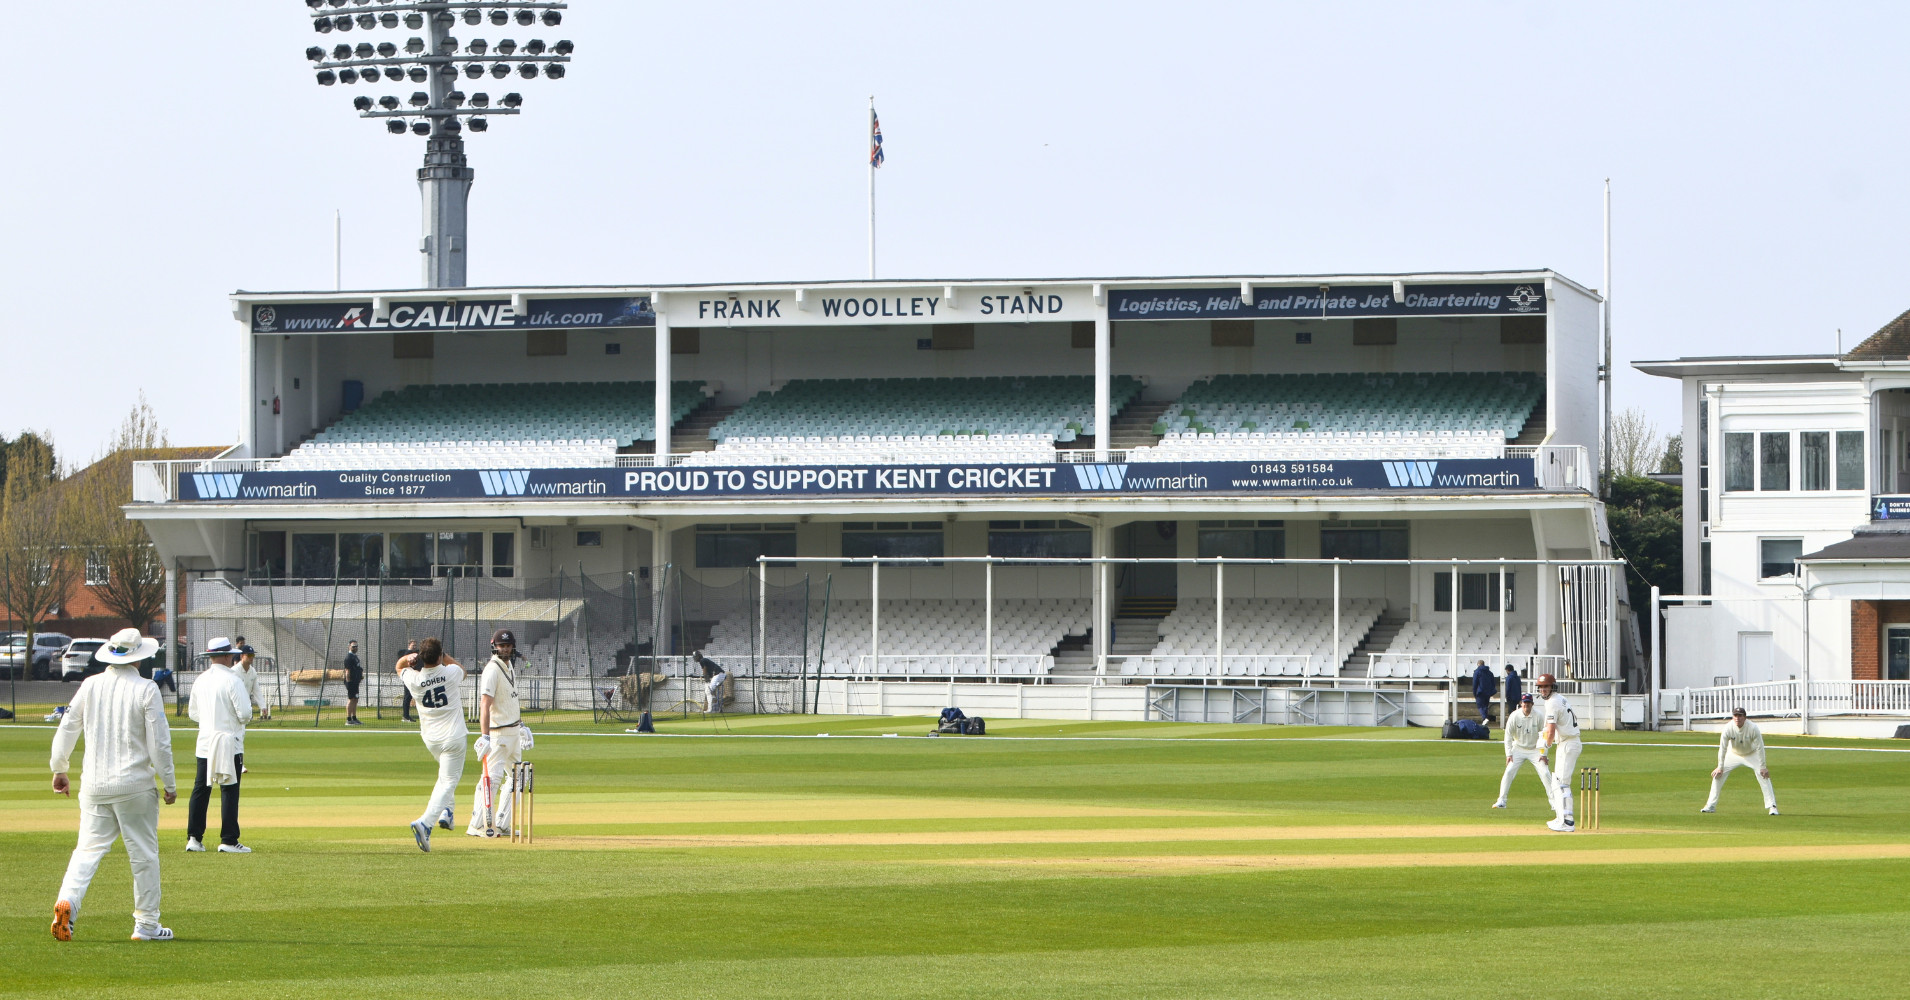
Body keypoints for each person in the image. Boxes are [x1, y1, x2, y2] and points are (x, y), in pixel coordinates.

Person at [49, 627, 177, 942]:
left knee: (86, 851)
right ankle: (146, 925)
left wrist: (59, 768)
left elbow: (67, 726)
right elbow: (159, 743)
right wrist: (170, 782)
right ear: (139, 657)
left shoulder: (90, 685)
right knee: (144, 854)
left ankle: (68, 903)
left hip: (94, 785)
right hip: (134, 786)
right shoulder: (147, 689)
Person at [397, 637, 467, 850]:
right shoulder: (450, 673)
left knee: (445, 777)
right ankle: (425, 823)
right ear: (439, 656)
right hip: (453, 737)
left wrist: (408, 658)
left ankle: (447, 812)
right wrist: (445, 656)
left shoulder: (414, 679)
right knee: (448, 781)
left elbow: (399, 666)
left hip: (432, 740)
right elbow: (462, 670)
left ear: (420, 658)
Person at [185, 637, 252, 854]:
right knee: (229, 789)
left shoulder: (201, 679)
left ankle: (194, 838)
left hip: (205, 740)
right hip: (228, 741)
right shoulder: (233, 680)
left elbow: (193, 713)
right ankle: (229, 840)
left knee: (201, 789)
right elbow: (245, 714)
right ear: (226, 655)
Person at [468, 629, 531, 838]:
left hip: (513, 733)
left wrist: (521, 726)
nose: (504, 649)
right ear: (494, 645)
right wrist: (485, 736)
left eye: (508, 646)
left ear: (513, 647)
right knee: (491, 779)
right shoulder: (492, 670)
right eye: (501, 646)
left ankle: (503, 823)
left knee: (519, 779)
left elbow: (509, 700)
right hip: (497, 734)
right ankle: (477, 824)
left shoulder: (509, 665)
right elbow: (485, 704)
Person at [1702, 708, 1779, 815]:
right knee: (1718, 775)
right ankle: (1710, 805)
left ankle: (1772, 806)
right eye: (1735, 716)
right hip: (1733, 754)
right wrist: (1720, 767)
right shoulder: (1728, 728)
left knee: (1763, 775)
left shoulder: (1752, 728)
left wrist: (1763, 766)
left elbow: (1760, 747)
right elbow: (1723, 748)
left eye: (1740, 716)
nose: (1737, 718)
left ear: (1744, 717)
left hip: (1751, 754)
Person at [1535, 673, 1583, 832]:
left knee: (1562, 783)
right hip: (1567, 742)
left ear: (1552, 687)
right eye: (1541, 687)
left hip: (1568, 743)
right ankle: (1561, 817)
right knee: (1557, 781)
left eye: (1546, 687)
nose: (1543, 690)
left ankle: (1567, 822)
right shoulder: (1559, 699)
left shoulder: (1552, 703)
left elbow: (1550, 731)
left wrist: (1545, 750)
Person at [1493, 693, 1555, 810]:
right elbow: (1508, 736)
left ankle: (1554, 803)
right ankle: (1501, 801)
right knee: (1509, 771)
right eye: (1524, 703)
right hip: (1518, 749)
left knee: (1545, 773)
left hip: (1535, 749)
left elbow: (1545, 736)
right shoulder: (1514, 716)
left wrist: (1543, 754)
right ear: (1521, 704)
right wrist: (1509, 754)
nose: (1526, 705)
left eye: (1528, 703)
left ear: (1532, 704)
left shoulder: (1539, 716)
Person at [233, 635, 268, 720]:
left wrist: (263, 706)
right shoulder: (234, 672)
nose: (251, 657)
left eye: (252, 655)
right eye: (248, 655)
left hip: (245, 706)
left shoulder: (253, 672)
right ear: (241, 656)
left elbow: (256, 690)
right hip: (233, 708)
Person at [342, 640, 364, 726]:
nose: (355, 648)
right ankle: (348, 719)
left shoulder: (355, 657)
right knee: (351, 699)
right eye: (353, 646)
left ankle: (354, 718)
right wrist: (348, 682)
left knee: (356, 699)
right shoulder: (349, 657)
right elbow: (347, 670)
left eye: (356, 646)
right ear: (349, 647)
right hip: (351, 682)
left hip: (356, 681)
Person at [398, 639, 420, 722]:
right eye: (412, 645)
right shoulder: (407, 654)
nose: (414, 647)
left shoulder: (416, 654)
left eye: (415, 645)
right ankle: (405, 716)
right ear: (409, 645)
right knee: (407, 696)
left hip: (416, 677)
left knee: (415, 696)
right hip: (408, 678)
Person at [1470, 659, 1497, 725]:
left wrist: (1474, 693)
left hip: (1480, 692)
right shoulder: (1490, 673)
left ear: (1478, 664)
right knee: (1485, 706)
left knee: (1480, 706)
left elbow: (1475, 683)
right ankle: (1485, 720)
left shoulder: (1477, 672)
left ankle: (1485, 718)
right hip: (1488, 692)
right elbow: (1493, 683)